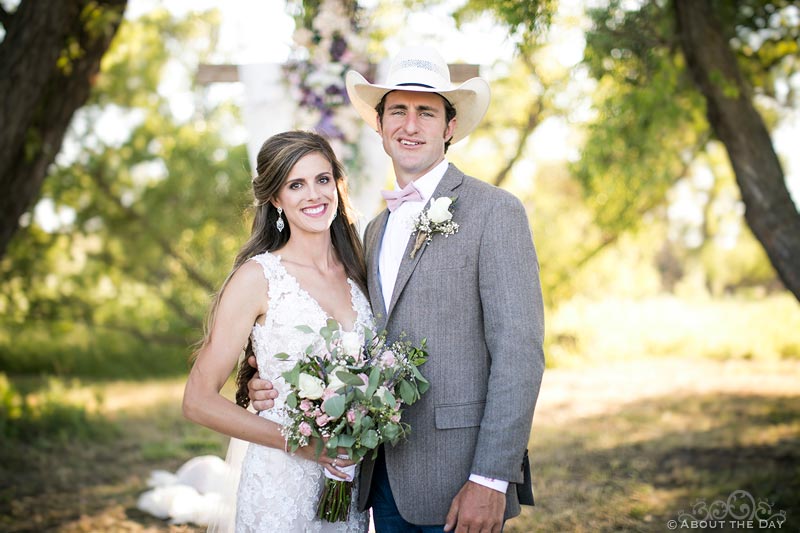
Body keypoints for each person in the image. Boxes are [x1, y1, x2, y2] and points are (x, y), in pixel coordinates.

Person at [248, 46, 545, 533]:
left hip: (460, 478)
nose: (410, 125)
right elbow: (354, 335)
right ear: (380, 126)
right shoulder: (374, 230)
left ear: (449, 128)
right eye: (397, 111)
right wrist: (267, 383)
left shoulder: (496, 212)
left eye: (425, 112)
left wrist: (491, 479)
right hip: (377, 477)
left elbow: (520, 354)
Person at [182, 130, 371, 533]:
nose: (314, 195)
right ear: (275, 199)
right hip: (281, 486)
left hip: (350, 487)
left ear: (337, 183)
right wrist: (304, 444)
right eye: (296, 184)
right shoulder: (258, 278)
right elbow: (197, 401)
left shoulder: (360, 271)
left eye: (322, 179)